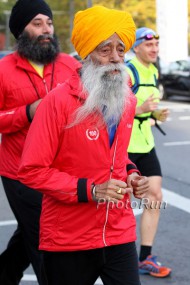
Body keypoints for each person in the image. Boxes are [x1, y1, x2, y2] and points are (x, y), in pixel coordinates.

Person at [18, 6, 150, 285]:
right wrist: (89, 189)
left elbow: (118, 155)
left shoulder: (127, 101)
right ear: (86, 53)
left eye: (121, 49)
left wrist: (132, 174)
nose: (115, 58)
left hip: (118, 232)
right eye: (105, 50)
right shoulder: (58, 102)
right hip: (69, 238)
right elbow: (31, 169)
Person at [0, 0, 81, 284]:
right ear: (20, 31)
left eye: (48, 22)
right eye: (37, 24)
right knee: (44, 240)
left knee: (30, 232)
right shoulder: (3, 70)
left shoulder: (70, 65)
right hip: (21, 173)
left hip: (61, 171)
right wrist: (26, 112)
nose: (46, 29)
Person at [126, 27, 171, 278]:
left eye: (156, 45)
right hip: (125, 147)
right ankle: (106, 254)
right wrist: (141, 108)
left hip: (145, 143)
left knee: (154, 195)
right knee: (114, 202)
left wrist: (155, 114)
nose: (153, 49)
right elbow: (113, 109)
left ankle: (145, 257)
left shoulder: (152, 71)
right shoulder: (128, 71)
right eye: (148, 45)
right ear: (136, 48)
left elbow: (147, 108)